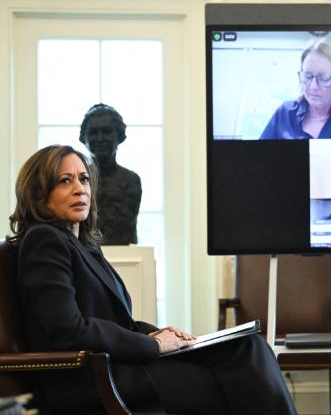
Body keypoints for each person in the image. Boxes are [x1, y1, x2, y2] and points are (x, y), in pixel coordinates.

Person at [7, 145, 297, 414]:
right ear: (38, 194)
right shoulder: (44, 241)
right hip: (89, 379)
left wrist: (160, 335)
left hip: (119, 365)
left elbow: (117, 321)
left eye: (84, 179)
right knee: (237, 382)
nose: (79, 189)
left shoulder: (83, 245)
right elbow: (68, 329)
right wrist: (153, 346)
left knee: (248, 347)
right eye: (65, 181)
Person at [79, 103, 141, 245]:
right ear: (84, 137)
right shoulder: (78, 181)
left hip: (125, 257)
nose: (100, 138)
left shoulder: (131, 181)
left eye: (107, 131)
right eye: (94, 132)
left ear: (119, 135)